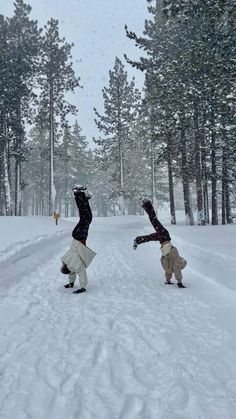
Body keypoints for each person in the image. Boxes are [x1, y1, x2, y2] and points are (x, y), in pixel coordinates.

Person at [133, 199, 187, 288]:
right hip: (163, 244)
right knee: (150, 236)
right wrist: (168, 280)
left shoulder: (177, 261)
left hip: (164, 238)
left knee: (154, 221)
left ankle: (147, 204)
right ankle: (138, 240)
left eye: (182, 261)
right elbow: (168, 271)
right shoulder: (170, 266)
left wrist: (179, 282)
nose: (182, 259)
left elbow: (176, 270)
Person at [60, 186, 96, 294]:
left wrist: (83, 287)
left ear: (69, 268)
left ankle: (78, 194)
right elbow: (71, 273)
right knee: (86, 217)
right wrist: (71, 283)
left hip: (79, 236)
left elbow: (81, 273)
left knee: (87, 217)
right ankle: (83, 197)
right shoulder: (66, 261)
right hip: (77, 236)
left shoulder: (75, 265)